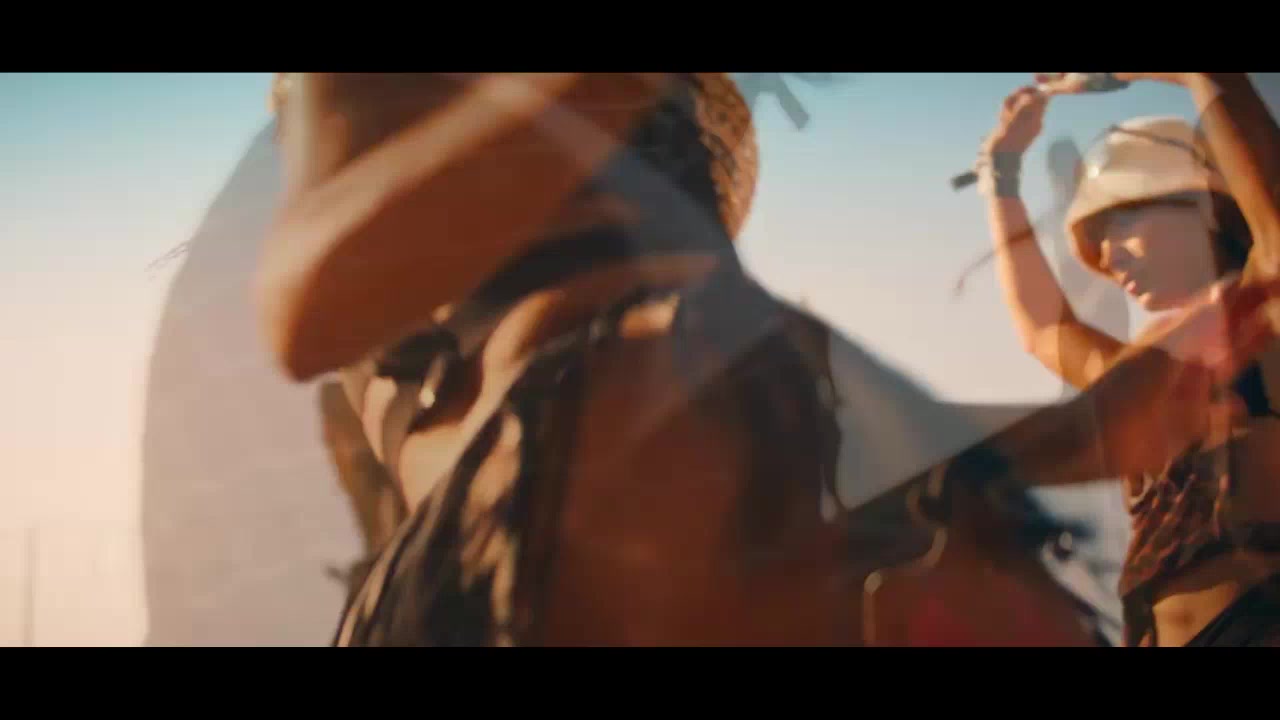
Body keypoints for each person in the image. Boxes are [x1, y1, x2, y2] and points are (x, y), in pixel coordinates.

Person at [255, 73, 1280, 646]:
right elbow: (308, 305)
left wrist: (1075, 435)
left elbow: (876, 491)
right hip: (551, 521)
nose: (1116, 257)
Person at [978, 72, 1280, 646]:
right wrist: (1001, 174)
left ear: (1202, 207)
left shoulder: (1265, 317)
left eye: (1121, 223)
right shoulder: (1150, 380)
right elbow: (1045, 328)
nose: (1108, 257)